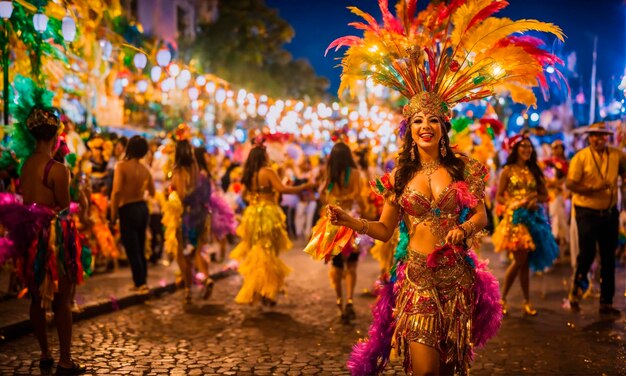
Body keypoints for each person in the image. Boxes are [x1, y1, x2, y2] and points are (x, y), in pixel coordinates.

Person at [325, 0, 563, 374]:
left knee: (452, 368)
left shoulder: (464, 167)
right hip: (417, 279)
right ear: (410, 127)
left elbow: (482, 216)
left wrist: (463, 228)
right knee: (425, 371)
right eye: (418, 119)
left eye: (433, 119)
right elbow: (386, 231)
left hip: (457, 280)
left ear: (443, 126)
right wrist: (349, 220)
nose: (425, 126)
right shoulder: (399, 175)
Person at [0, 107, 87, 374]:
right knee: (62, 299)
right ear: (56, 135)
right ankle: (65, 359)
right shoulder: (59, 170)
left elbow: (27, 200)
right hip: (52, 241)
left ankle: (45, 354)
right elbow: (62, 205)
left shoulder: (26, 166)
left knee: (36, 299)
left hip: (29, 236)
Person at [230, 138, 315, 306]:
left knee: (258, 251)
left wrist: (256, 197)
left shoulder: (248, 173)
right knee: (268, 252)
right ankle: (267, 292)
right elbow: (282, 189)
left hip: (252, 215)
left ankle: (261, 289)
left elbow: (244, 195)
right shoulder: (267, 171)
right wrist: (303, 187)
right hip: (268, 213)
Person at [492, 135, 559, 316]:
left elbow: (545, 195)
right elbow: (498, 196)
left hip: (533, 220)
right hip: (515, 221)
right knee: (520, 261)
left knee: (525, 263)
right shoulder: (508, 170)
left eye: (529, 146)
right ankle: (502, 299)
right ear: (515, 149)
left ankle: (526, 301)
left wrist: (535, 199)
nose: (527, 149)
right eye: (523, 146)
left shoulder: (535, 170)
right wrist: (512, 204)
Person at [567, 122, 625, 316]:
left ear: (607, 137)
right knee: (587, 255)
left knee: (609, 258)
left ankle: (606, 302)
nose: (597, 139)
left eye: (601, 135)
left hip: (609, 213)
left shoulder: (617, 155)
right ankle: (575, 293)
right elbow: (571, 184)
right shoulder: (580, 157)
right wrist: (592, 190)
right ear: (589, 137)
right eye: (593, 135)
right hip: (586, 212)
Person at [304, 142, 366, 323]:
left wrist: (332, 202)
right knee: (352, 265)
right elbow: (358, 197)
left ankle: (340, 301)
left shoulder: (329, 172)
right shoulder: (354, 174)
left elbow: (322, 193)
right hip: (350, 221)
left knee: (337, 266)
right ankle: (350, 300)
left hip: (332, 223)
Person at [168, 140, 213, 304]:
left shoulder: (178, 171)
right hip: (201, 213)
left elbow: (181, 195)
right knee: (198, 249)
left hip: (187, 215)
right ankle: (206, 278)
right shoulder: (196, 169)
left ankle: (188, 291)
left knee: (185, 254)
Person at [110, 136, 155, 293]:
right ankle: (143, 281)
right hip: (142, 208)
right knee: (140, 246)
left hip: (127, 208)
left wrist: (113, 213)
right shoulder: (145, 169)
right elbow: (153, 191)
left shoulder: (121, 166)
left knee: (132, 248)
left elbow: (116, 192)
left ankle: (140, 283)